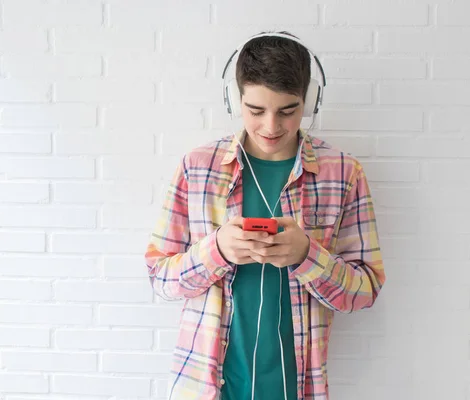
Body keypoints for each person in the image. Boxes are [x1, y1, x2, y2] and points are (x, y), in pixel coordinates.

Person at [145, 31, 385, 400]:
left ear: (309, 101)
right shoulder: (197, 168)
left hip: (297, 386)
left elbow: (365, 290)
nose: (271, 126)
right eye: (256, 110)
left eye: (288, 110)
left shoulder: (343, 173)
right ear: (234, 100)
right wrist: (217, 251)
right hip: (207, 387)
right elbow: (160, 277)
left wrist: (307, 255)